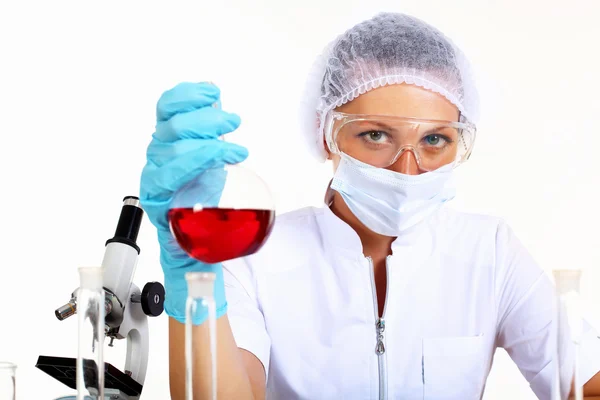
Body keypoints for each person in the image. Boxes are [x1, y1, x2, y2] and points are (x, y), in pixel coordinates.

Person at [139, 12, 600, 399]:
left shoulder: (490, 252)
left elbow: (586, 381)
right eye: (376, 134)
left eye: (435, 139)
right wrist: (194, 278)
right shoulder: (257, 256)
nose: (406, 169)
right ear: (326, 134)